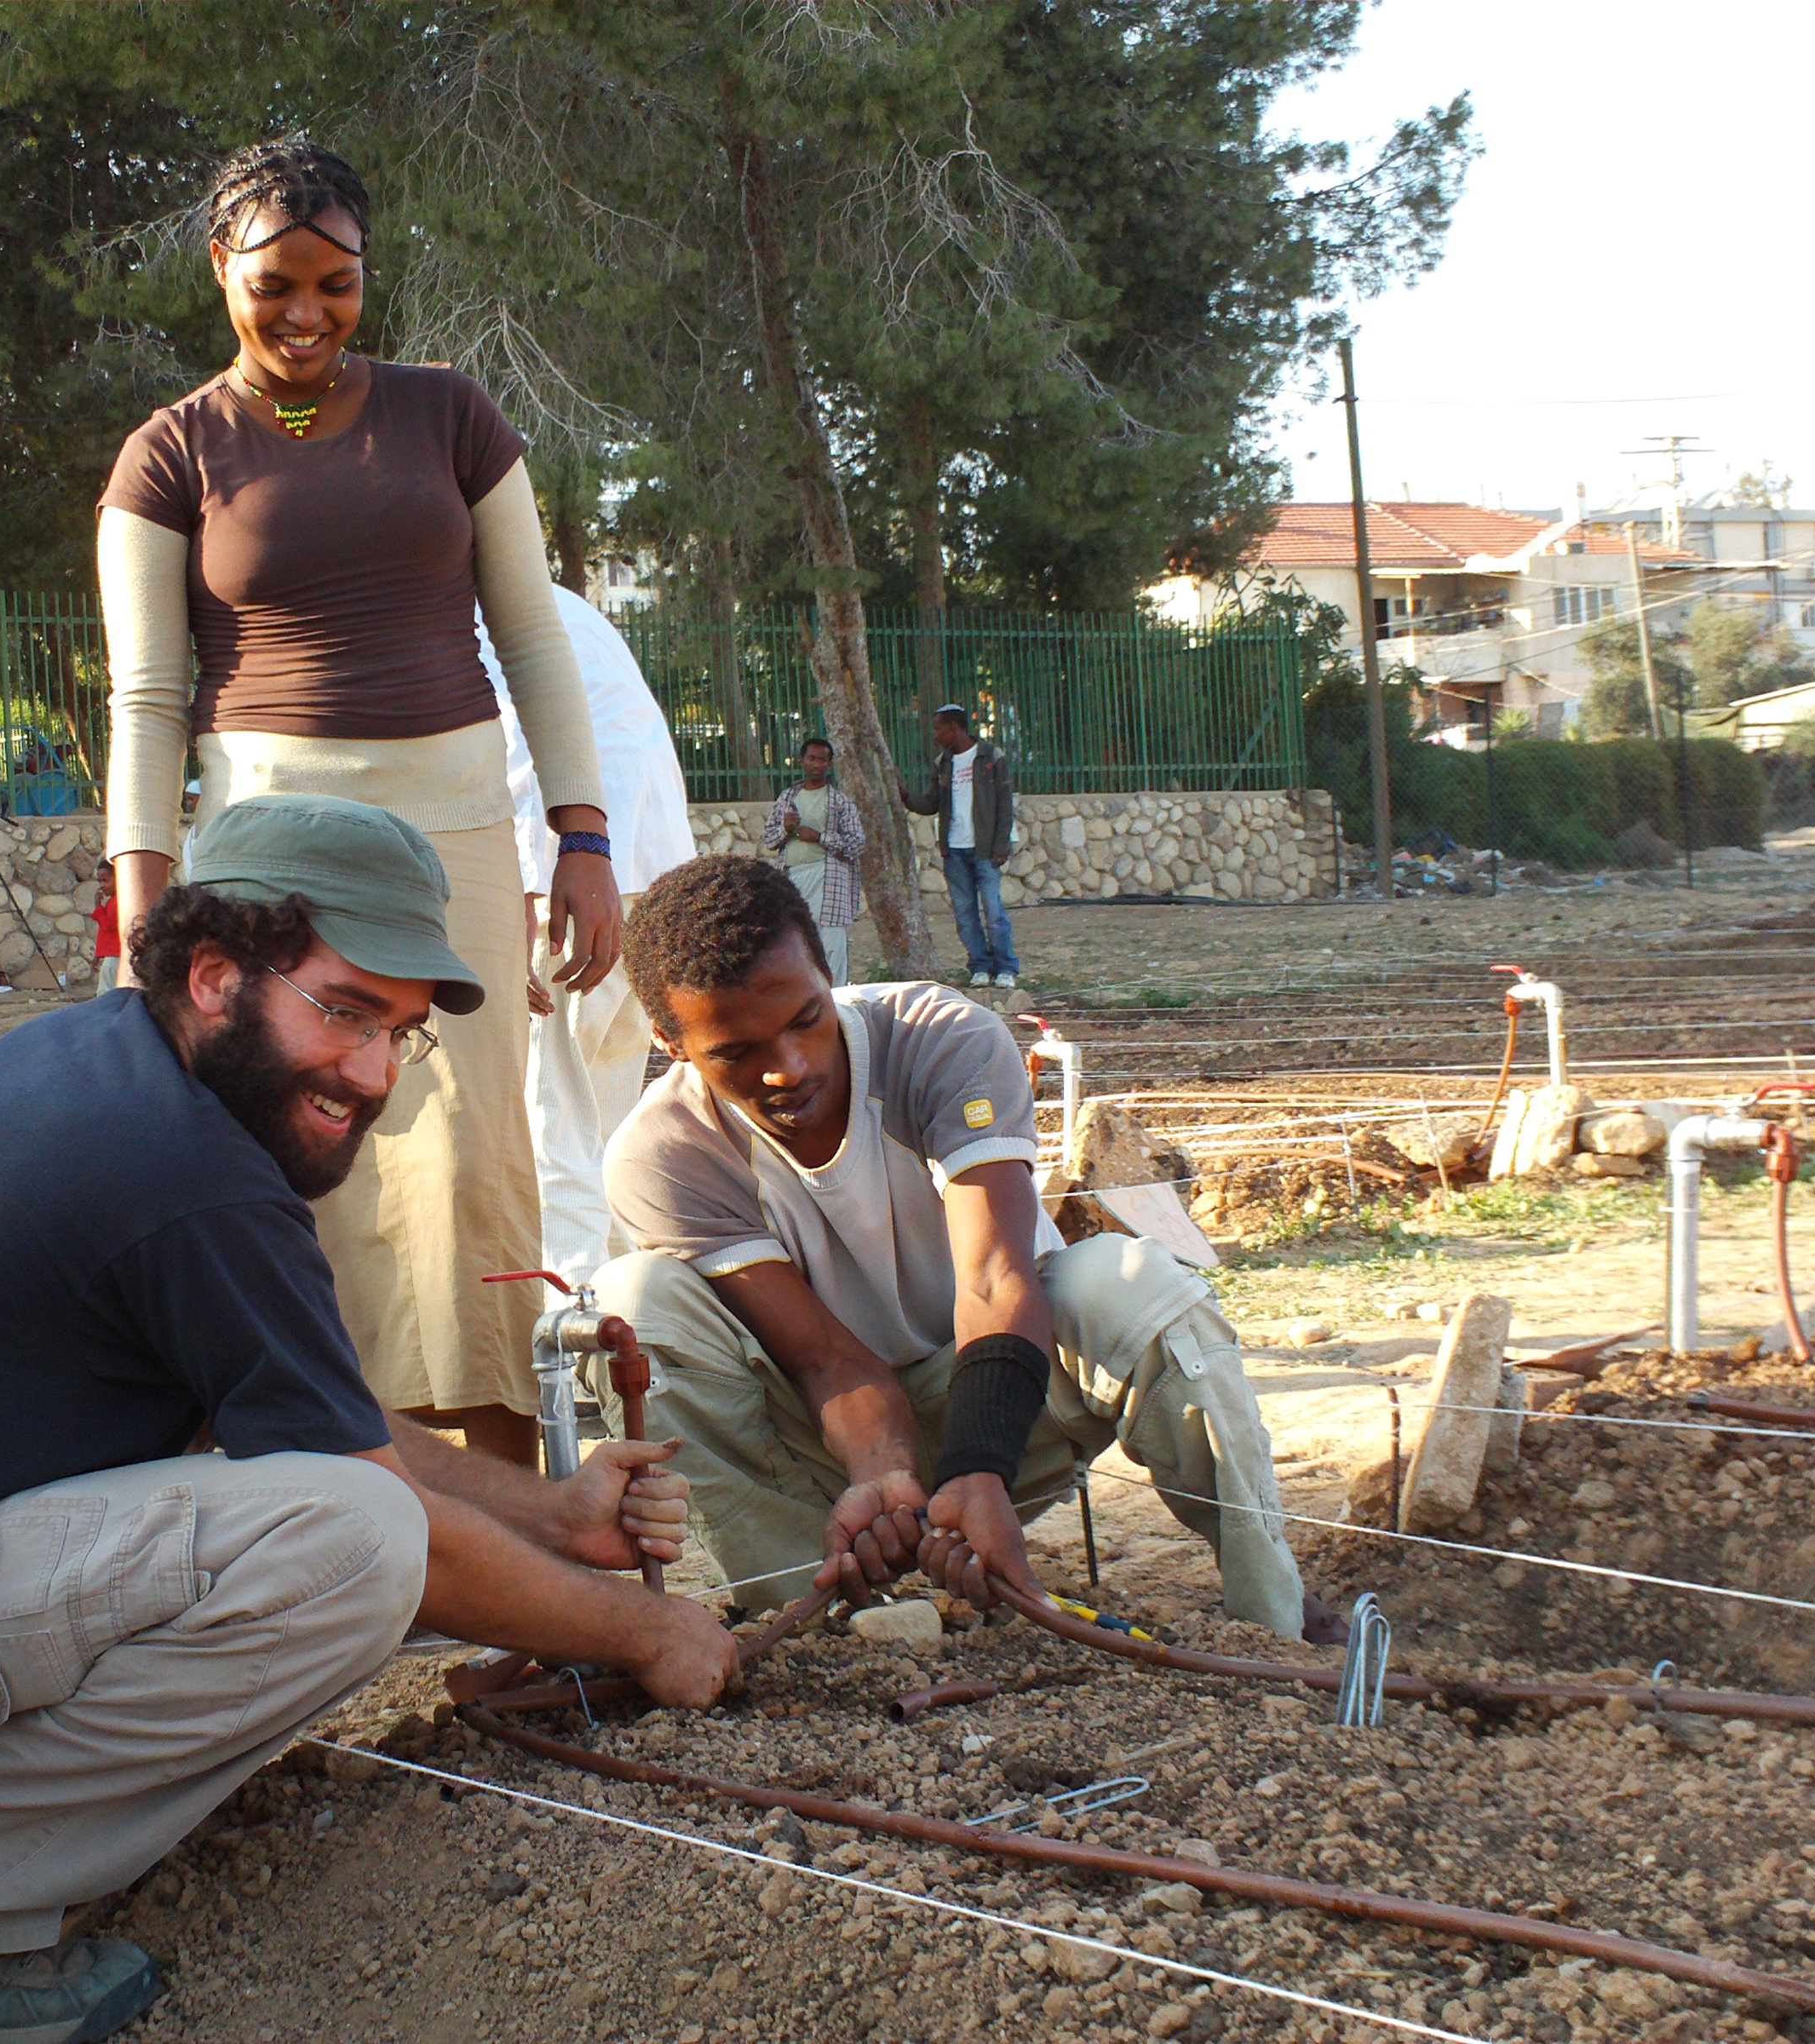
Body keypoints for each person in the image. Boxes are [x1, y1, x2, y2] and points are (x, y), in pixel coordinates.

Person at [0, 795, 734, 2044]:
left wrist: (552, 1510)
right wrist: (646, 1630)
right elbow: (368, 1506)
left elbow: (318, 1415)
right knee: (358, 1545)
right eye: (345, 1009)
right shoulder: (187, 1176)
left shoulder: (120, 1068)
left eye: (400, 1035)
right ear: (214, 974)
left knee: (342, 1507)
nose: (371, 1076)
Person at [97, 139, 615, 1467]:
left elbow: (536, 644)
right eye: (275, 283)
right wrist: (149, 915)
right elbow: (151, 700)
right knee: (280, 1136)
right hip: (267, 835)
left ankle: (499, 1482)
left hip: (451, 824)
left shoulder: (453, 417)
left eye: (336, 284)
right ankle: (306, 1461)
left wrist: (582, 838)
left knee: (471, 1152)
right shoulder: (168, 455)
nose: (307, 315)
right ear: (222, 269)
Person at [590, 855, 1336, 1643]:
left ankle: (1274, 1619)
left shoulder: (938, 1040)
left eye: (806, 1019)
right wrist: (887, 1480)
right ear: (670, 1038)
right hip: (826, 1446)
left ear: (824, 971)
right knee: (636, 1304)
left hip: (1006, 1392)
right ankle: (813, 1619)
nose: (790, 1068)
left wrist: (977, 1468)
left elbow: (995, 1276)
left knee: (1134, 1283)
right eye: (736, 1053)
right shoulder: (663, 1154)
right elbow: (824, 1361)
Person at [487, 586, 698, 1290]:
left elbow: (510, 748)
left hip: (569, 876)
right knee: (602, 1126)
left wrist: (517, 887)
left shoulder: (475, 607)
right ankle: (624, 1316)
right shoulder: (566, 605)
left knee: (553, 1123)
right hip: (648, 874)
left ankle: (570, 1333)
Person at [904, 702, 1020, 990]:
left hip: (985, 849)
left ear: (954, 727)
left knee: (994, 911)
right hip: (954, 850)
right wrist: (904, 794)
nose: (935, 735)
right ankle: (980, 966)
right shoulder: (942, 763)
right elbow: (931, 804)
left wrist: (1001, 843)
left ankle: (1006, 968)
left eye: (938, 728)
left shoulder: (991, 756)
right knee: (965, 914)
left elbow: (1005, 805)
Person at [762, 737, 864, 984]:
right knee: (797, 938)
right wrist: (786, 829)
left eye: (823, 759)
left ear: (829, 764)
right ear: (802, 761)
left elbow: (856, 843)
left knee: (831, 942)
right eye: (812, 758)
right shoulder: (788, 798)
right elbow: (769, 839)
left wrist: (819, 837)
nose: (817, 764)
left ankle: (837, 999)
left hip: (827, 877)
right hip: (792, 877)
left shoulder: (839, 801)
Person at [90, 858, 123, 996]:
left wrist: (98, 907)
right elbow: (105, 934)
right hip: (111, 956)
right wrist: (99, 954)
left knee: (105, 995)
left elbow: (108, 926)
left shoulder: (118, 902)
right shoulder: (111, 902)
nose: (102, 885)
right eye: (100, 881)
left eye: (106, 881)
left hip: (115, 958)